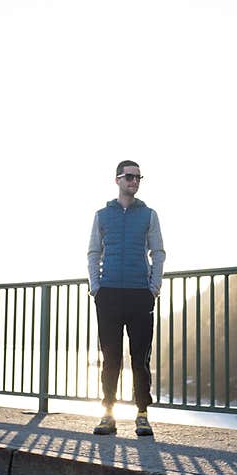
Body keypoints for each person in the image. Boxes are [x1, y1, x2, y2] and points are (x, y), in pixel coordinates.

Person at [87, 160, 165, 436]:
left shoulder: (149, 215)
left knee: (140, 358)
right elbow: (94, 252)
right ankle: (107, 415)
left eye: (138, 177)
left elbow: (158, 252)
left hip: (139, 295)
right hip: (108, 295)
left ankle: (142, 414)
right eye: (129, 176)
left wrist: (153, 287)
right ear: (117, 180)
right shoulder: (101, 215)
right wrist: (97, 287)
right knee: (110, 358)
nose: (134, 181)